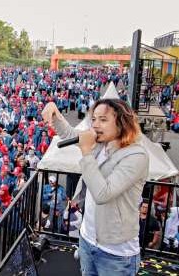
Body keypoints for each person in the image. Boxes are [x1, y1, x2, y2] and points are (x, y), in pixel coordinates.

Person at [43, 98, 148, 276]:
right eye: (94, 119)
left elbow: (102, 193)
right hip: (87, 239)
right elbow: (70, 134)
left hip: (115, 254)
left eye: (103, 120)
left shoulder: (136, 156)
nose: (96, 125)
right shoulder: (101, 143)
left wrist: (86, 152)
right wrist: (55, 113)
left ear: (122, 123)